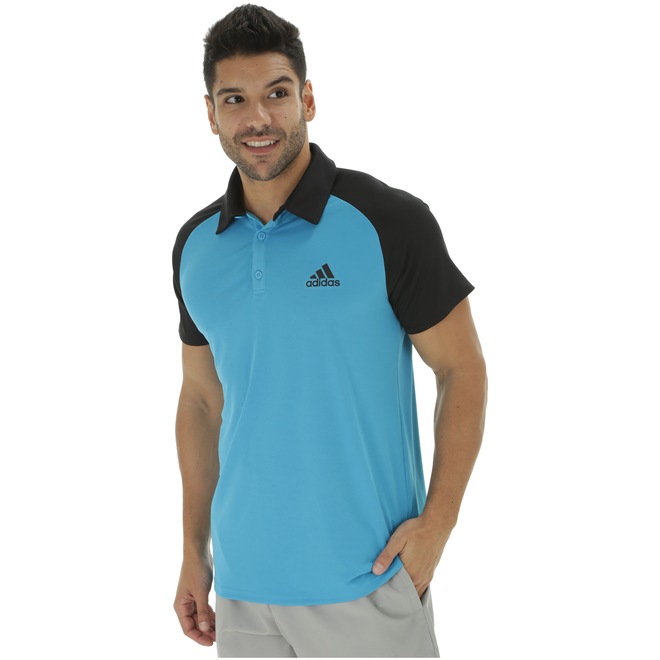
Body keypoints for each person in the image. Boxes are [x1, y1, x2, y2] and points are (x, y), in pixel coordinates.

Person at [172, 4, 487, 657]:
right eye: (235, 99)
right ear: (211, 113)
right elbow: (201, 400)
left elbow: (462, 369)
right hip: (243, 589)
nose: (257, 118)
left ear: (308, 99)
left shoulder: (387, 221)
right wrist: (193, 551)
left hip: (367, 580)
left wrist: (438, 525)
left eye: (276, 93)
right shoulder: (196, 246)